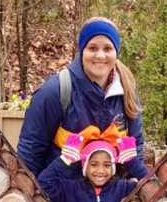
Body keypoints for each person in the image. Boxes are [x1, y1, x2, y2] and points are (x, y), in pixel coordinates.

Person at [17, 17, 147, 180]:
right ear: (81, 51)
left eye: (108, 48)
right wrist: (32, 197)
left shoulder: (127, 91)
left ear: (116, 53)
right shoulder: (55, 91)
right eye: (92, 48)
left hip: (112, 198)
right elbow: (30, 152)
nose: (100, 55)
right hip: (60, 197)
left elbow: (136, 147)